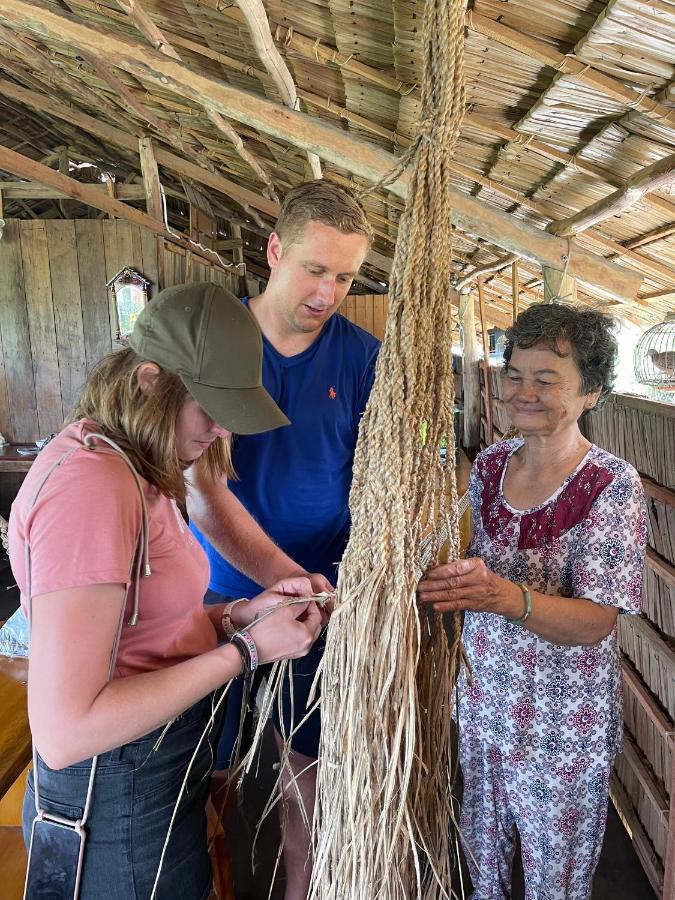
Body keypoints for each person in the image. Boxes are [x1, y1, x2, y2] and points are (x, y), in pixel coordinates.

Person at [8, 282, 323, 900]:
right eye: (208, 407)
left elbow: (143, 630)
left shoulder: (137, 468)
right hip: (111, 808)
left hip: (149, 784)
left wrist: (237, 615)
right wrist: (247, 652)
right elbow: (66, 729)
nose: (220, 428)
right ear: (150, 380)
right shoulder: (93, 487)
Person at [188, 179, 379, 899]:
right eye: (313, 268)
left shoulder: (362, 357)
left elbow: (382, 474)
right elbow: (196, 489)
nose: (326, 292)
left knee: (309, 774)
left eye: (344, 276)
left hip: (320, 602)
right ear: (274, 250)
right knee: (208, 772)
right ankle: (209, 879)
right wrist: (279, 575)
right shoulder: (214, 345)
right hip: (215, 595)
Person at [418, 303, 647, 900]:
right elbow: (472, 564)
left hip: (560, 727)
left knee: (556, 882)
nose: (524, 392)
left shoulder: (610, 485)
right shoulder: (490, 466)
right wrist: (441, 581)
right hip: (485, 707)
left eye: (547, 380)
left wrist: (503, 597)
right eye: (515, 374)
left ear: (592, 392)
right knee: (481, 868)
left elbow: (596, 620)